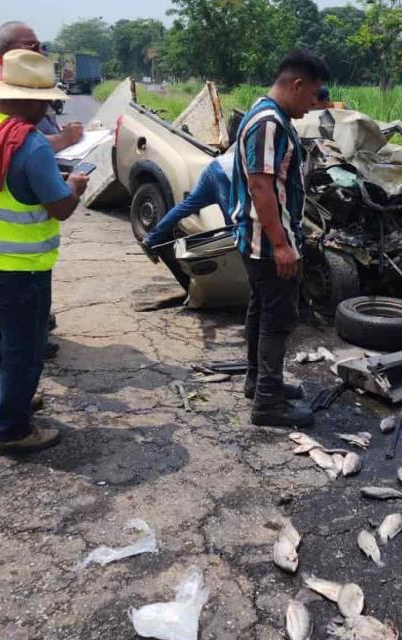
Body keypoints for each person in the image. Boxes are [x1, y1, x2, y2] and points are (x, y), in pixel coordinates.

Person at [0, 49, 90, 455]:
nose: (49, 108)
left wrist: (47, 178)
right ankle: (12, 430)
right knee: (24, 348)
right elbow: (60, 207)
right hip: (20, 265)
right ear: (29, 98)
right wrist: (75, 186)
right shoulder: (30, 146)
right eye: (47, 100)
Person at [0, 21, 82, 360]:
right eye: (31, 46)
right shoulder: (21, 133)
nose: (39, 50)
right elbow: (60, 205)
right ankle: (10, 413)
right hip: (16, 258)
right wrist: (70, 180)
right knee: (21, 345)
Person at [231, 50, 331, 428]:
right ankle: (268, 403)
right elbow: (260, 186)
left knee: (261, 310)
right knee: (277, 318)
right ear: (297, 85)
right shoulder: (269, 122)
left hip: (259, 238)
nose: (313, 105)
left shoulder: (263, 112)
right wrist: (280, 244)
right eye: (312, 96)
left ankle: (259, 382)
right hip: (265, 241)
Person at [0, 21, 83, 152]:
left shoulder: (7, 72)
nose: (39, 52)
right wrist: (65, 139)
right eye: (31, 45)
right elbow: (14, 144)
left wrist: (58, 130)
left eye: (40, 46)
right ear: (4, 47)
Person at [141, 147, 236, 251]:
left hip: (214, 166)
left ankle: (150, 239)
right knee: (235, 226)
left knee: (185, 207)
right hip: (226, 175)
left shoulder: (248, 134)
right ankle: (232, 256)